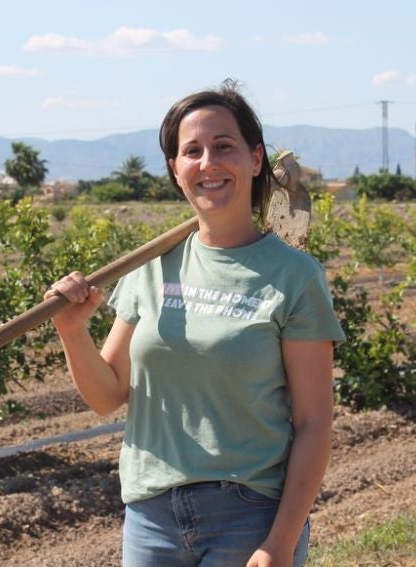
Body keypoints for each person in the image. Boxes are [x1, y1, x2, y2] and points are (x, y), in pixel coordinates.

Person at [45, 81, 345, 567]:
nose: (208, 162)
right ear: (175, 169)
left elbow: (314, 423)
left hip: (249, 514)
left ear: (254, 158)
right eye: (192, 151)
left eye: (223, 147)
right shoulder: (150, 265)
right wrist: (72, 332)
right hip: (151, 516)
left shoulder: (294, 276)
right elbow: (107, 396)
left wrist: (280, 541)